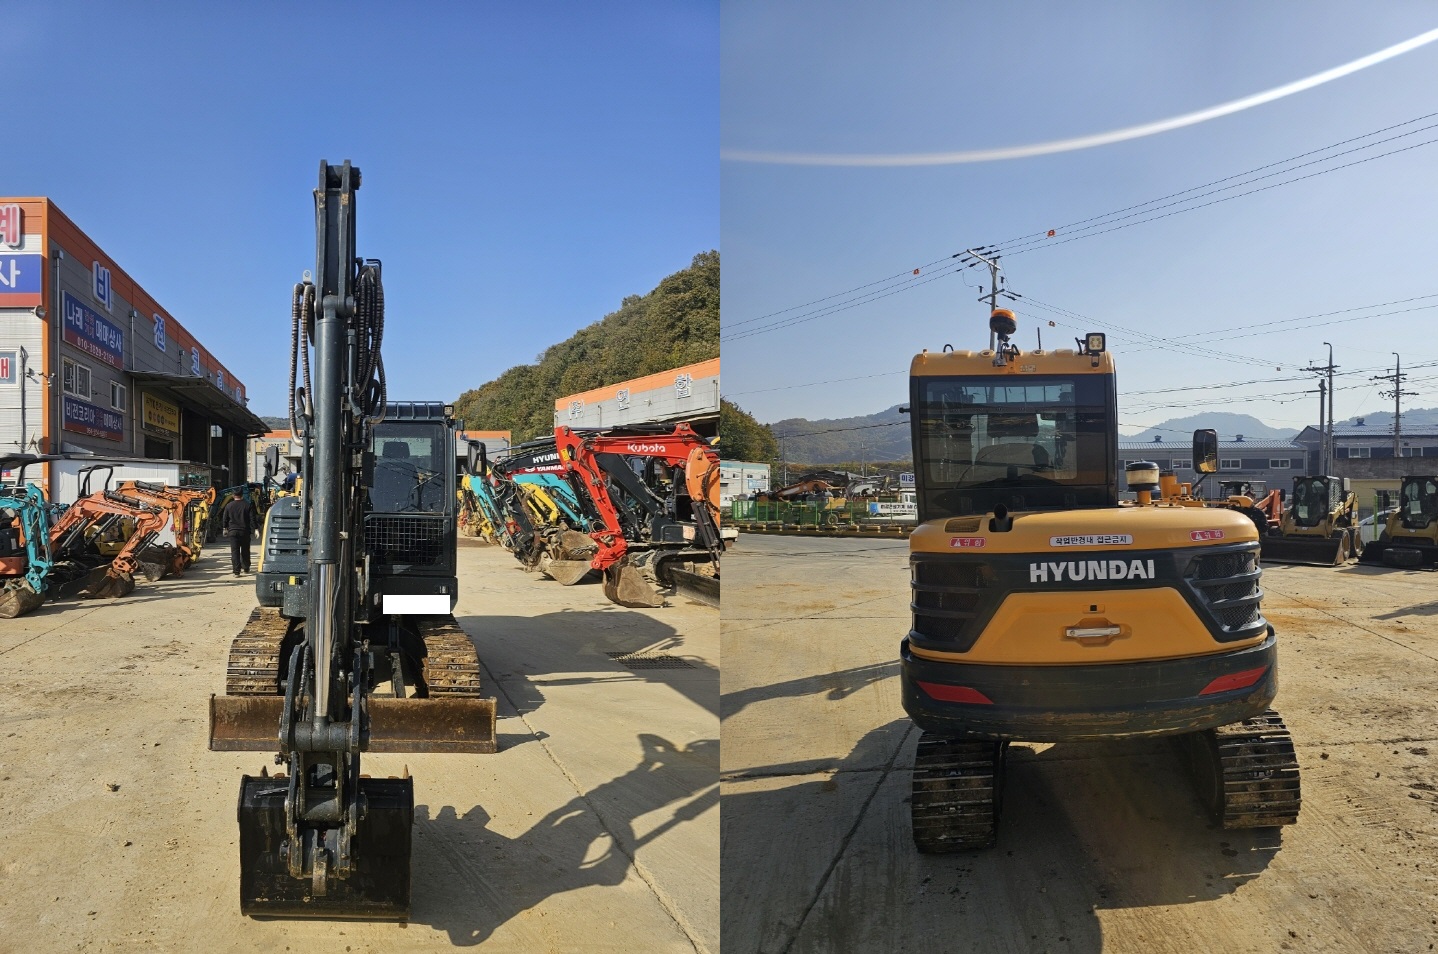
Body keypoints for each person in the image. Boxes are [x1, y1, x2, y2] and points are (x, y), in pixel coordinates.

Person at [221, 489, 256, 576]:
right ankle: (246, 568)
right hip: (244, 531)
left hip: (233, 532)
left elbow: (225, 518)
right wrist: (256, 528)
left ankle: (236, 571)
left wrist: (225, 528)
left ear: (233, 496)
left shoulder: (229, 506)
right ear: (242, 495)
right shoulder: (247, 505)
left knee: (235, 552)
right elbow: (252, 518)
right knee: (245, 550)